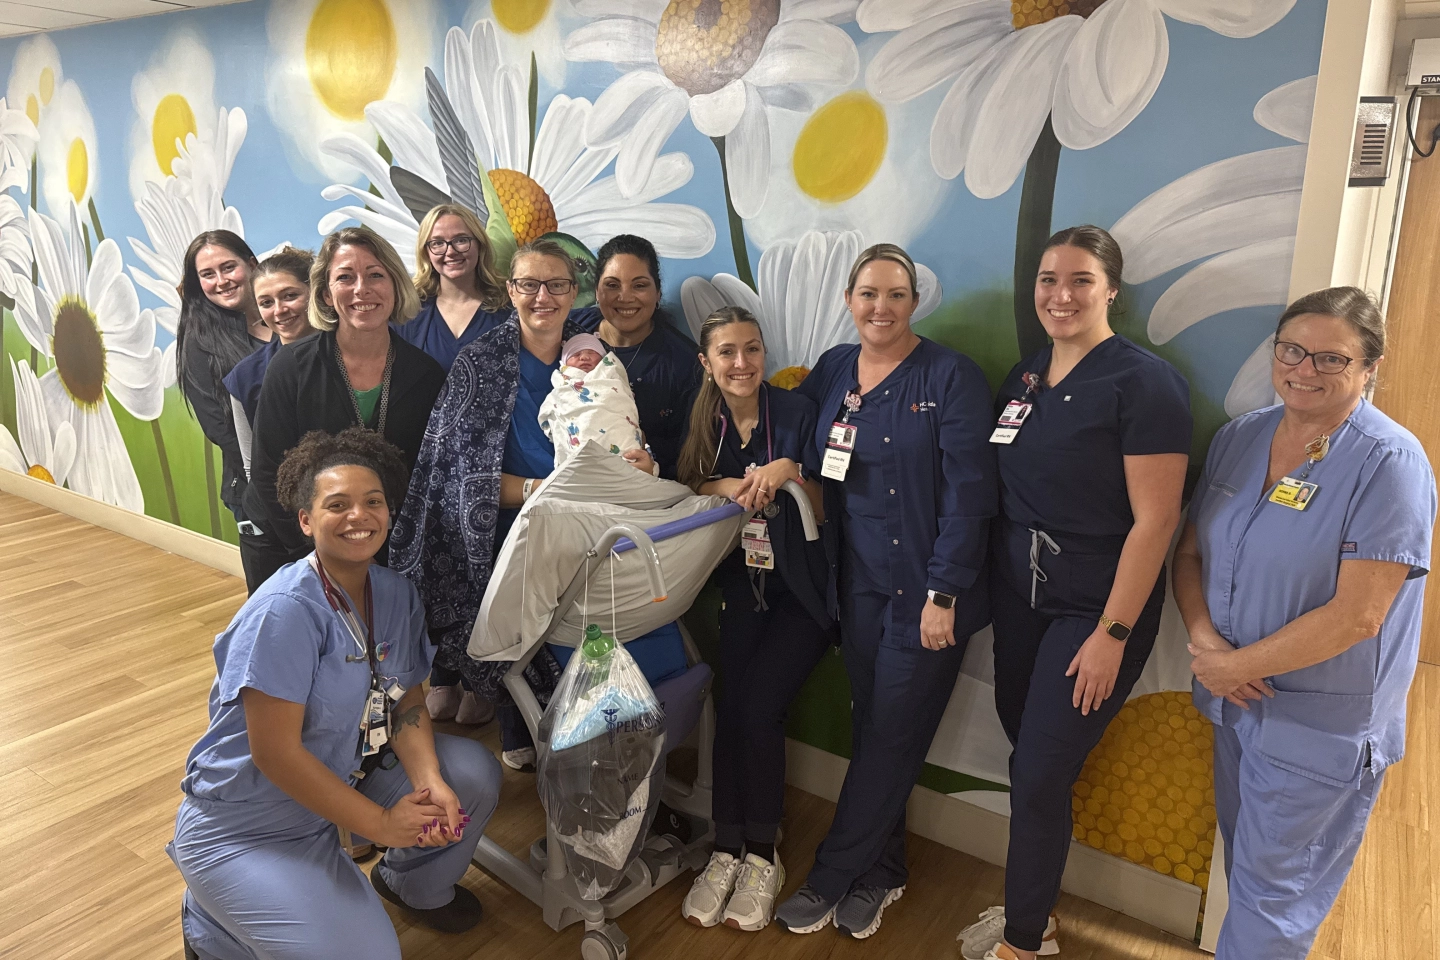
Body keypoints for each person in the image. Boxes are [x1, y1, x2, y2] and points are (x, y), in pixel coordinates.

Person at [167, 428, 502, 960]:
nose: (358, 516)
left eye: (373, 502)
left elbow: (409, 699)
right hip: (249, 823)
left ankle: (411, 886)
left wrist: (428, 779)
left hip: (340, 783)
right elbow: (274, 754)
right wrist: (382, 825)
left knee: (472, 774)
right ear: (306, 520)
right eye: (337, 505)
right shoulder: (285, 612)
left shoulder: (395, 594)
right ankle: (211, 925)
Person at [1174, 286, 1435, 960]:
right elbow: (1191, 552)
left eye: (1331, 359)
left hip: (1317, 730)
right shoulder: (1241, 438)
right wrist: (1206, 645)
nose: (1304, 369)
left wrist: (1238, 665)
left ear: (1369, 367)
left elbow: (1360, 615)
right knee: (1252, 874)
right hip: (1234, 705)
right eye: (1292, 350)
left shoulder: (1390, 465)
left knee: (1275, 904)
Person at [956, 226, 1192, 960]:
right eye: (1049, 280)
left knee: (1039, 769)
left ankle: (1024, 942)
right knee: (1028, 758)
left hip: (1094, 610)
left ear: (1111, 289)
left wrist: (1112, 636)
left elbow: (1157, 522)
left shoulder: (1143, 383)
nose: (1061, 295)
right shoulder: (1024, 380)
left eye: (1080, 280)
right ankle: (1036, 911)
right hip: (1021, 601)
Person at [775, 244, 997, 940]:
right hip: (859, 585)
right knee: (881, 733)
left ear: (915, 302)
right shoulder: (836, 369)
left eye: (896, 294)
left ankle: (833, 876)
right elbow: (792, 433)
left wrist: (946, 591)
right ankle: (885, 870)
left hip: (927, 592)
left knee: (891, 731)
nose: (881, 308)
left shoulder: (950, 375)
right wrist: (779, 460)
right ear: (849, 299)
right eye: (868, 294)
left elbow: (971, 493)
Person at [392, 239, 660, 772]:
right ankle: (526, 730)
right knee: (526, 670)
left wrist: (641, 460)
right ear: (510, 290)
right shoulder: (481, 363)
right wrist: (543, 492)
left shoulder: (593, 358)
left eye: (556, 284)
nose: (544, 296)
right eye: (529, 284)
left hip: (587, 519)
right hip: (508, 523)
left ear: (572, 290)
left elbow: (617, 424)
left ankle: (593, 736)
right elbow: (462, 477)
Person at [674, 307, 833, 932]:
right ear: (706, 363)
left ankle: (761, 854)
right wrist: (732, 485)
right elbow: (686, 490)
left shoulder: (795, 414)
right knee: (730, 708)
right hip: (741, 592)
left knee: (761, 709)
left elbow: (828, 504)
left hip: (802, 594)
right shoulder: (702, 425)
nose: (741, 363)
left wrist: (789, 470)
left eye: (752, 349)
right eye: (727, 353)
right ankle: (723, 849)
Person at [243, 226, 444, 589]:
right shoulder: (291, 367)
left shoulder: (425, 375)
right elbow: (267, 471)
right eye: (345, 277)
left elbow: (427, 477)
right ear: (324, 294)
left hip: (392, 552)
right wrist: (316, 550)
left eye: (375, 275)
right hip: (301, 551)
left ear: (396, 286)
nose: (361, 289)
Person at [222, 246, 316, 595]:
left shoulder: (350, 359)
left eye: (290, 296)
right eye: (266, 302)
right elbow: (254, 468)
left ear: (315, 293)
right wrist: (299, 538)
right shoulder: (244, 378)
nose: (279, 311)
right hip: (276, 530)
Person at [175, 230, 268, 533]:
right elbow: (219, 428)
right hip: (254, 488)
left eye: (229, 267)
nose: (221, 281)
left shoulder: (287, 319)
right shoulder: (199, 340)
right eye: (207, 274)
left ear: (252, 264)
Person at [591, 234, 702, 479]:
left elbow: (690, 453)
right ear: (596, 291)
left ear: (658, 293)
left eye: (639, 285)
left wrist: (653, 464)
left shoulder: (684, 365)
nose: (625, 296)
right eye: (612, 285)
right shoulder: (569, 332)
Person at [397, 203, 510, 371]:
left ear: (479, 245)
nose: (450, 251)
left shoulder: (509, 306)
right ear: (426, 252)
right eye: (437, 243)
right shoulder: (408, 312)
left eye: (461, 240)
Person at [538, 333, 646, 469]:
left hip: (619, 435)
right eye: (575, 354)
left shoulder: (613, 380)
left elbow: (625, 403)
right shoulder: (561, 388)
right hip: (581, 444)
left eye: (591, 352)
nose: (584, 357)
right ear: (565, 364)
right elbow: (546, 414)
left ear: (602, 358)